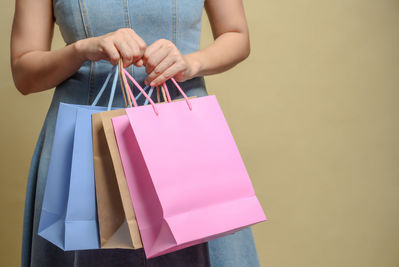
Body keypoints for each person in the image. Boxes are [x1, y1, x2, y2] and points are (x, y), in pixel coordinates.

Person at [11, 0, 260, 266]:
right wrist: (82, 49)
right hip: (83, 150)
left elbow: (236, 34)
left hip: (182, 142)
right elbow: (24, 73)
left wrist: (190, 63)